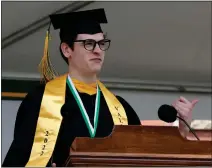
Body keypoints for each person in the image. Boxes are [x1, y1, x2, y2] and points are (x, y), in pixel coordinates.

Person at [2, 8, 198, 167]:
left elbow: (144, 156)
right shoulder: (40, 102)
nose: (98, 50)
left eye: (101, 43)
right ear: (67, 49)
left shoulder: (120, 108)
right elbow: (18, 160)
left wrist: (181, 129)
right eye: (88, 43)